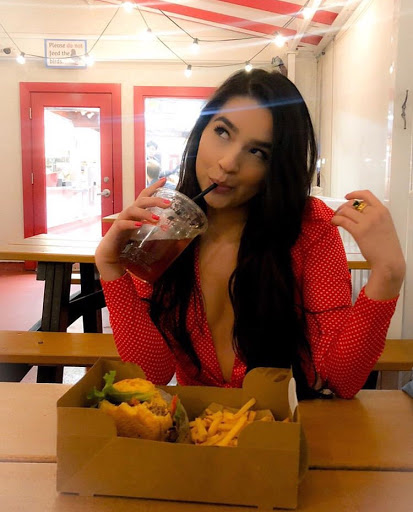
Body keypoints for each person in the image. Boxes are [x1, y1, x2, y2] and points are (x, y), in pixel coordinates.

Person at [95, 69, 405, 400]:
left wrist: (388, 274)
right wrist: (110, 267)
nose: (228, 163)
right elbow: (153, 373)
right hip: (199, 424)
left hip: (284, 421)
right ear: (201, 131)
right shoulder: (168, 228)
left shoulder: (310, 227)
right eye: (222, 132)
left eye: (258, 152)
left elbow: (340, 381)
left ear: (277, 167)